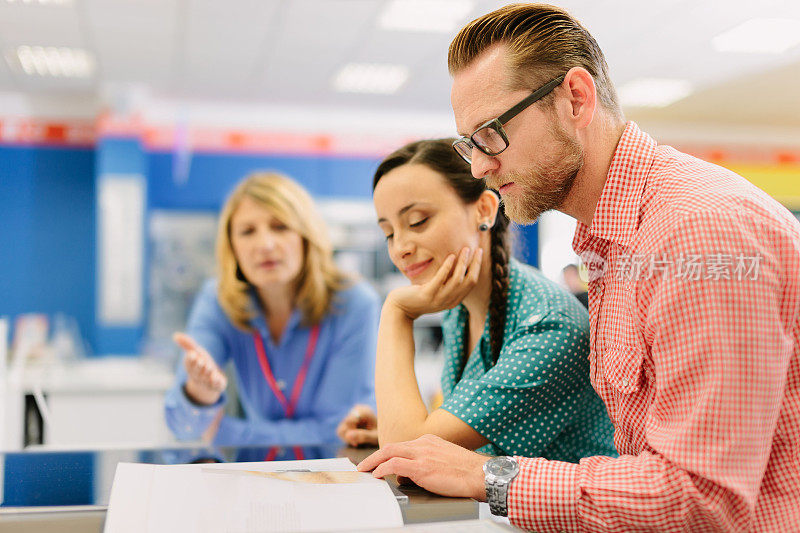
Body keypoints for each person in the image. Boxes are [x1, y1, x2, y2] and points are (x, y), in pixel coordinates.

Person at [358, 4, 800, 532]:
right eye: (468, 144)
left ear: (575, 98)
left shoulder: (696, 233)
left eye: (491, 133)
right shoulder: (615, 240)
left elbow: (704, 499)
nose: (479, 167)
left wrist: (492, 477)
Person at [338, 138, 615, 463]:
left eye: (417, 222)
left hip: (567, 513)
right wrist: (392, 426)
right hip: (498, 512)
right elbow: (431, 436)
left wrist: (397, 312)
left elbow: (404, 459)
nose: (400, 247)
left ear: (484, 210)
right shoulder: (460, 306)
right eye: (389, 232)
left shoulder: (548, 324)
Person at [164, 172, 379, 450]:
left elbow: (336, 429)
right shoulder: (218, 300)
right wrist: (199, 395)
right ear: (233, 248)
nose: (264, 245)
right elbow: (183, 426)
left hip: (339, 472)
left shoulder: (354, 302)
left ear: (306, 236)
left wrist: (229, 432)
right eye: (247, 231)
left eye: (279, 227)